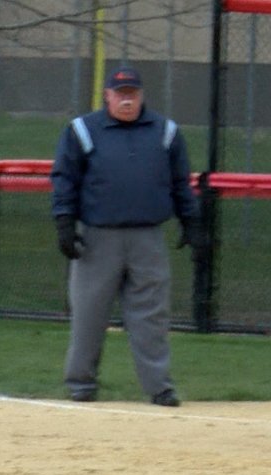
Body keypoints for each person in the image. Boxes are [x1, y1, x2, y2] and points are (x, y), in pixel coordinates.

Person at [49, 65, 207, 407]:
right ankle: (81, 383)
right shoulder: (82, 130)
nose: (126, 101)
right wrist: (64, 222)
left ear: (141, 96)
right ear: (107, 96)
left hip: (147, 236)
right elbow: (65, 179)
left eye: (132, 94)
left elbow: (180, 183)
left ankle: (159, 387)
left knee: (151, 316)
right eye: (120, 95)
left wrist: (191, 223)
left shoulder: (165, 132)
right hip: (97, 236)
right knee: (89, 314)